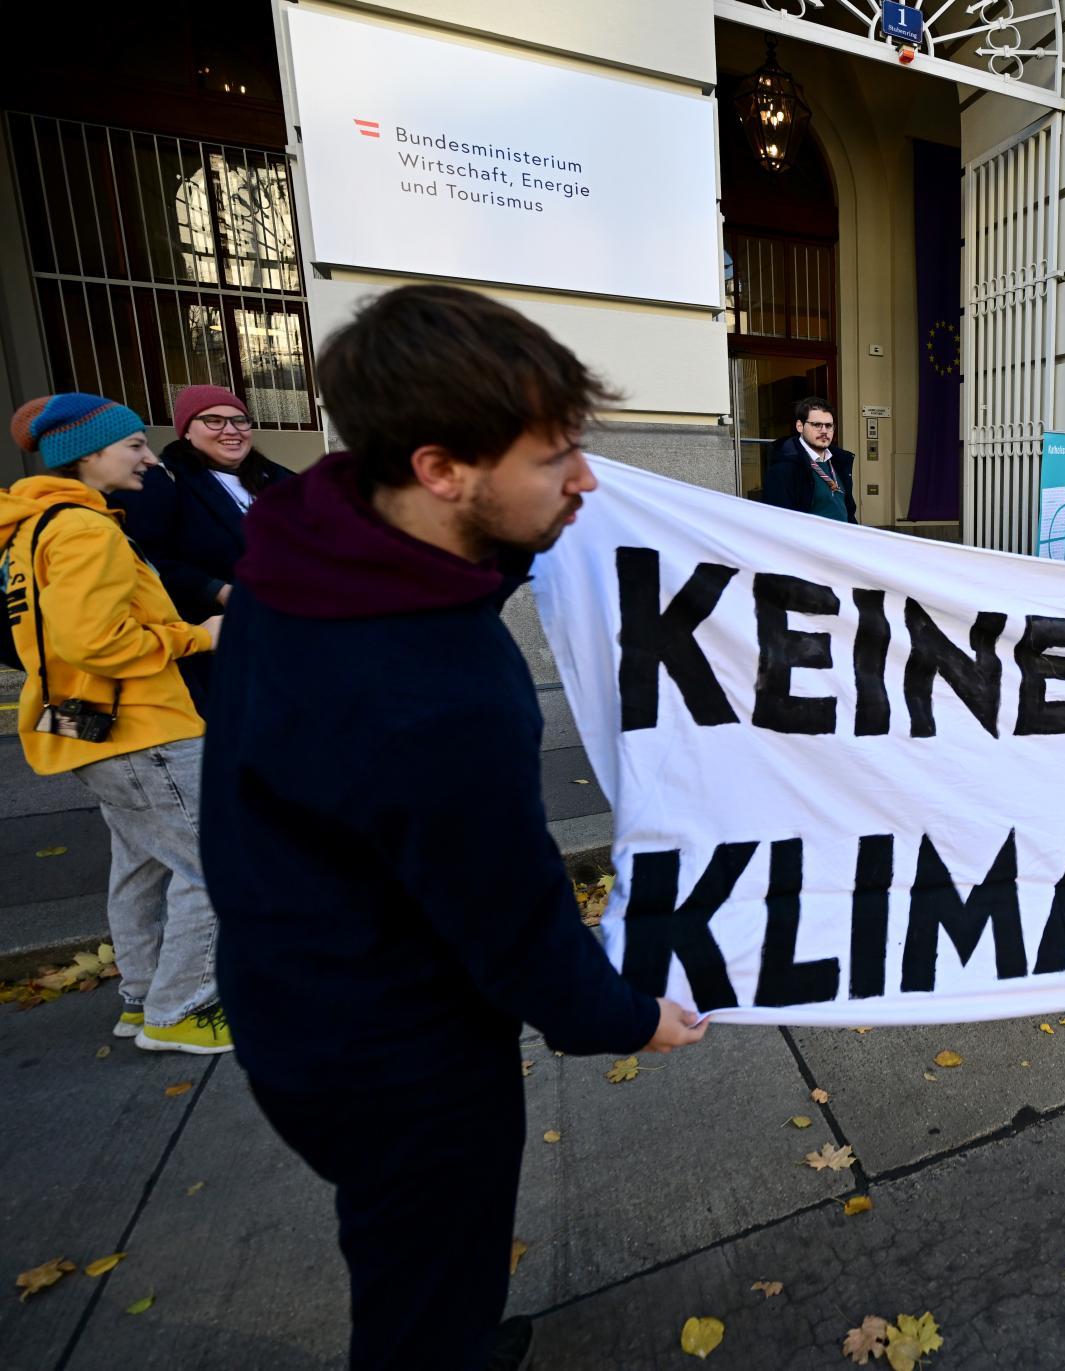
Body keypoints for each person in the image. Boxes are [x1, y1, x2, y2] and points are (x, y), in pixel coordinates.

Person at [200, 285, 706, 1370]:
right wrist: (625, 1018)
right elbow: (511, 919)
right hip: (395, 1049)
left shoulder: (305, 541)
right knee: (425, 1282)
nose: (585, 481)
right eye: (553, 459)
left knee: (412, 1250)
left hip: (298, 988)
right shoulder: (434, 690)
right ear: (439, 470)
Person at [1, 393, 228, 1052]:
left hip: (79, 716)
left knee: (141, 864)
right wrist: (196, 637)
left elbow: (54, 639)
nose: (149, 457)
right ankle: (183, 1007)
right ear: (88, 454)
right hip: (142, 723)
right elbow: (94, 640)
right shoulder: (86, 529)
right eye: (133, 445)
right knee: (213, 863)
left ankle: (143, 995)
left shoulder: (34, 527)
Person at [111, 385, 293, 707]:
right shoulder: (162, 482)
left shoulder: (278, 479)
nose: (231, 431)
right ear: (187, 432)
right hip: (216, 643)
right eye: (214, 421)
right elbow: (145, 557)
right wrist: (217, 590)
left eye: (240, 421)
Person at [761, 396, 855, 523]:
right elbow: (778, 521)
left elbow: (848, 511)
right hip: (809, 541)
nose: (824, 431)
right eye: (816, 425)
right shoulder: (784, 465)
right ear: (800, 426)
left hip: (843, 540)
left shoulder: (840, 461)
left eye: (828, 425)